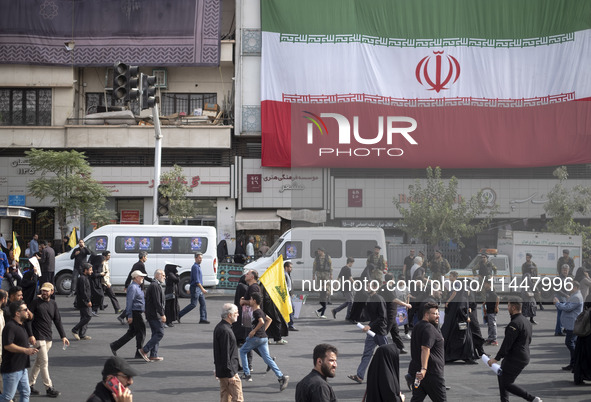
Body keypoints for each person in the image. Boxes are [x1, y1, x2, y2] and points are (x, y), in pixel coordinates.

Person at [487, 298, 543, 402]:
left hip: (516, 357)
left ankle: (532, 399)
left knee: (507, 383)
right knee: (502, 377)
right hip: (522, 355)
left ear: (513, 307)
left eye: (508, 306)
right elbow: (528, 340)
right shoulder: (526, 321)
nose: (507, 308)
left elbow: (506, 344)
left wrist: (496, 359)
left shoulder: (514, 324)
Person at [239, 293, 289, 391]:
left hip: (257, 338)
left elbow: (261, 321)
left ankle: (247, 374)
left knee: (242, 351)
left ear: (254, 301)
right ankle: (281, 376)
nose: (249, 301)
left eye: (251, 299)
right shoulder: (260, 311)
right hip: (264, 338)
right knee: (267, 359)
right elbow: (269, 320)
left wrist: (254, 331)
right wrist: (263, 330)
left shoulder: (256, 312)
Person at [26, 282, 68, 398]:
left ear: (52, 292)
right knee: (44, 362)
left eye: (46, 291)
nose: (44, 292)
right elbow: (28, 320)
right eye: (43, 290)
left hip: (48, 337)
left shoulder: (53, 304)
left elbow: (57, 320)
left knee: (39, 363)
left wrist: (63, 336)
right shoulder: (35, 303)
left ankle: (29, 385)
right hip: (38, 337)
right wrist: (30, 335)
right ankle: (49, 387)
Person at [405, 301, 446, 402]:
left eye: (438, 313)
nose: (438, 316)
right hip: (431, 374)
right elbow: (425, 348)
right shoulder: (429, 329)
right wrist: (424, 369)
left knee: (416, 400)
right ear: (427, 314)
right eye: (435, 314)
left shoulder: (418, 326)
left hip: (418, 373)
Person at [348, 287, 389, 384]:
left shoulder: (379, 299)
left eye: (369, 285)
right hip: (371, 332)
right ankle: (359, 376)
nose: (366, 287)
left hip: (380, 332)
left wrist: (369, 326)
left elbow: (382, 317)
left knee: (386, 355)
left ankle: (389, 376)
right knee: (367, 354)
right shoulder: (368, 298)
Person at [1, 300, 39, 402]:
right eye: (25, 310)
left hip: (22, 368)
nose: (28, 311)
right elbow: (8, 346)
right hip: (12, 369)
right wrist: (26, 350)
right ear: (17, 313)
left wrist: (29, 349)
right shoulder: (10, 327)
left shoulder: (21, 325)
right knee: (7, 397)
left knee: (26, 392)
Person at [440, 271, 477, 364]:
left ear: (454, 277)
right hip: (461, 315)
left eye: (450, 276)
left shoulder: (456, 285)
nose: (449, 278)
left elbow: (454, 293)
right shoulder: (462, 291)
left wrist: (448, 301)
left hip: (457, 315)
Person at [110, 271, 147, 359]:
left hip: (137, 311)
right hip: (135, 313)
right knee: (141, 333)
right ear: (136, 277)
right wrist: (129, 315)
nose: (143, 278)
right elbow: (129, 302)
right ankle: (139, 353)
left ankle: (115, 345)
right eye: (141, 276)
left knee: (132, 332)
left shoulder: (137, 287)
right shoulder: (133, 287)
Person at [213, 303, 243, 402]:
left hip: (223, 371)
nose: (238, 314)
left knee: (225, 397)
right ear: (229, 315)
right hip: (229, 372)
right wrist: (231, 374)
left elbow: (218, 351)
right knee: (237, 398)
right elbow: (225, 353)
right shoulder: (225, 330)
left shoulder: (220, 327)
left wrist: (217, 368)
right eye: (236, 313)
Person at [553, 280, 583, 372]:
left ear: (575, 287)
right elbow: (567, 305)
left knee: (569, 342)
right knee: (571, 342)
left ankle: (575, 363)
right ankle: (573, 363)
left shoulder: (576, 297)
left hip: (572, 324)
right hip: (571, 324)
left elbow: (568, 308)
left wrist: (557, 303)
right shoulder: (575, 295)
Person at [138, 269, 166, 362]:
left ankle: (153, 354)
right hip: (154, 314)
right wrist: (162, 314)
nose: (164, 277)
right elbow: (157, 302)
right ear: (157, 275)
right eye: (163, 275)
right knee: (160, 333)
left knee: (155, 333)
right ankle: (144, 350)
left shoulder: (156, 284)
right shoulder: (154, 285)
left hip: (153, 313)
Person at [381, 273, 410, 355]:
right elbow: (394, 299)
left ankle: (400, 347)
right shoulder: (389, 288)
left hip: (392, 313)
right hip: (390, 313)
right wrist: (406, 304)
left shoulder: (384, 287)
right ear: (392, 279)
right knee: (385, 331)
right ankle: (376, 345)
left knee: (395, 332)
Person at [178, 252, 209, 324]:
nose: (201, 259)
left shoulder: (198, 266)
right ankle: (179, 314)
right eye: (199, 258)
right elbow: (196, 280)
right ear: (195, 258)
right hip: (196, 288)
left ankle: (203, 318)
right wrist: (202, 289)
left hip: (198, 288)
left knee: (203, 303)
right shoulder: (195, 267)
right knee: (193, 304)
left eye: (201, 258)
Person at [72, 263, 93, 341]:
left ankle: (82, 334)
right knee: (88, 316)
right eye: (90, 270)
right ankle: (75, 329)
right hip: (83, 301)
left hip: (84, 300)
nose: (92, 271)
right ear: (85, 270)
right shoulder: (82, 278)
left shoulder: (85, 278)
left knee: (84, 317)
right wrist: (88, 301)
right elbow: (83, 291)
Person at [573, 293, 591, 385]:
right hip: (588, 335)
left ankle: (579, 377)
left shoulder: (588, 296)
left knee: (581, 357)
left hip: (583, 334)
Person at [313, 247, 332, 318]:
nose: (318, 252)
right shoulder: (316, 258)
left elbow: (330, 266)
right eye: (318, 251)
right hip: (319, 274)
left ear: (322, 251)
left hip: (326, 273)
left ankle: (326, 298)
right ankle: (323, 299)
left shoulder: (327, 257)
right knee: (320, 287)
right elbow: (314, 266)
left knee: (327, 286)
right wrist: (313, 274)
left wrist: (331, 274)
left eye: (319, 251)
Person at [554, 264, 571, 336]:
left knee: (564, 315)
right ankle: (558, 331)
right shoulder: (558, 278)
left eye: (566, 270)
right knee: (560, 315)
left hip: (565, 299)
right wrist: (566, 295)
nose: (565, 271)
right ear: (561, 270)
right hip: (560, 298)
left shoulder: (567, 278)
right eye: (564, 270)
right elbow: (557, 289)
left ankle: (563, 329)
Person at [483, 280, 500, 346]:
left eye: (485, 284)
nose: (484, 285)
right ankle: (490, 338)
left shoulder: (492, 292)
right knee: (489, 325)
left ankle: (494, 339)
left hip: (492, 311)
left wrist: (496, 307)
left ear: (489, 284)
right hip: (488, 310)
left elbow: (497, 298)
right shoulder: (487, 291)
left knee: (493, 325)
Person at [284, 261, 298, 331]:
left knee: (291, 310)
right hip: (286, 295)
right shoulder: (284, 275)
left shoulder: (287, 274)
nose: (291, 269)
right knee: (291, 310)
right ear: (286, 267)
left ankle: (290, 324)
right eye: (290, 267)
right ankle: (290, 325)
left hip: (289, 295)